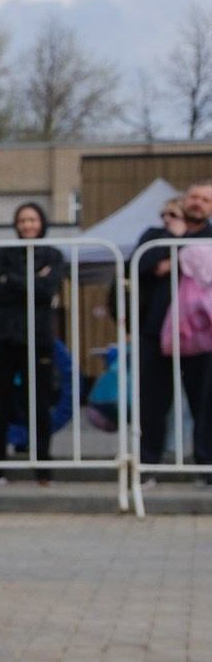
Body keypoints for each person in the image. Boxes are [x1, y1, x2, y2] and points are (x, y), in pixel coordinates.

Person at [0, 201, 65, 485]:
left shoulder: (53, 255)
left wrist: (15, 282)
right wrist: (32, 280)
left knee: (40, 404)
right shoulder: (3, 253)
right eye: (22, 220)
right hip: (5, 337)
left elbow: (47, 289)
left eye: (32, 220)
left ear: (42, 223)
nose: (27, 225)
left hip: (39, 339)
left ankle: (43, 466)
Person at [136, 197, 187, 475]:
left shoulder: (203, 235)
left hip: (199, 332)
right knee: (153, 401)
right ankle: (149, 465)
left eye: (175, 213)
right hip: (155, 330)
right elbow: (144, 263)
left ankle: (205, 466)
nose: (169, 218)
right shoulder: (154, 236)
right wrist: (171, 238)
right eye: (165, 213)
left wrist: (176, 254)